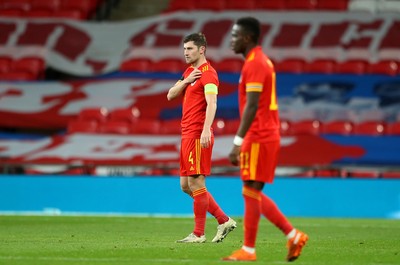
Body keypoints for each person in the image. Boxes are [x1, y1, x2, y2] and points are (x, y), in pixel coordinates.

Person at [222, 17, 308, 261]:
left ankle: (250, 249)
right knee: (252, 191)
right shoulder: (256, 62)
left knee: (250, 189)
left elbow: (252, 106)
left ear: (248, 37)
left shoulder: (256, 64)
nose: (231, 40)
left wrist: (237, 143)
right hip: (261, 134)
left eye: (235, 35)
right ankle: (292, 236)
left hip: (259, 135)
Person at [167, 32, 236, 243]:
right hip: (186, 134)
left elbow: (212, 102)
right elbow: (170, 94)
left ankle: (198, 233)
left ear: (201, 49)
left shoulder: (208, 73)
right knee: (186, 186)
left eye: (189, 49)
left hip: (198, 134)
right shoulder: (190, 72)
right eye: (184, 48)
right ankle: (223, 220)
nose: (185, 52)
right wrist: (186, 80)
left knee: (197, 182)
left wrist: (207, 129)